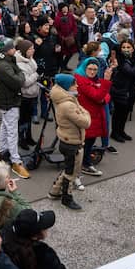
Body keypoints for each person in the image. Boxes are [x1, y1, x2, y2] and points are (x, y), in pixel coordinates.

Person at [48, 73, 90, 210]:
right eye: (74, 84)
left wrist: (80, 109)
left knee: (68, 168)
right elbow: (86, 122)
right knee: (71, 173)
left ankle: (54, 191)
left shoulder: (65, 99)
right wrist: (86, 112)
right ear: (66, 87)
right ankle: (67, 198)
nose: (77, 85)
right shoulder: (68, 104)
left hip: (66, 140)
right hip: (72, 143)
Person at [0, 37, 30, 179]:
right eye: (13, 48)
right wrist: (21, 74)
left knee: (5, 126)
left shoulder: (3, 60)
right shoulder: (4, 65)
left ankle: (2, 153)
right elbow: (18, 80)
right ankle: (15, 161)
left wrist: (18, 73)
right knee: (12, 131)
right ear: (7, 50)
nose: (15, 49)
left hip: (5, 100)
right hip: (9, 101)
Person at [74, 57, 112, 175]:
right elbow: (98, 96)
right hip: (87, 117)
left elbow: (105, 96)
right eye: (90, 69)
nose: (92, 72)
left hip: (93, 117)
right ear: (85, 68)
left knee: (89, 142)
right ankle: (84, 165)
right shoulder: (82, 81)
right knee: (85, 143)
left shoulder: (93, 80)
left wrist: (102, 98)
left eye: (95, 69)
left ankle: (85, 163)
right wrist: (106, 82)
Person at [110, 40, 135, 143]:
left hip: (131, 90)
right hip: (120, 90)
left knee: (126, 112)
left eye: (128, 47)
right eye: (123, 47)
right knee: (118, 113)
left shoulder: (134, 57)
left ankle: (121, 131)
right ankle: (114, 133)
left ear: (133, 49)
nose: (126, 49)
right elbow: (131, 72)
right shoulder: (120, 60)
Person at [15, 39, 41, 150]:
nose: (33, 50)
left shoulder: (29, 59)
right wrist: (36, 75)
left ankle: (29, 137)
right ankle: (22, 139)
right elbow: (25, 82)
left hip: (33, 94)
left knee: (29, 118)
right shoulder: (20, 64)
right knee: (23, 119)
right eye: (30, 49)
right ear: (25, 50)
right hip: (25, 96)